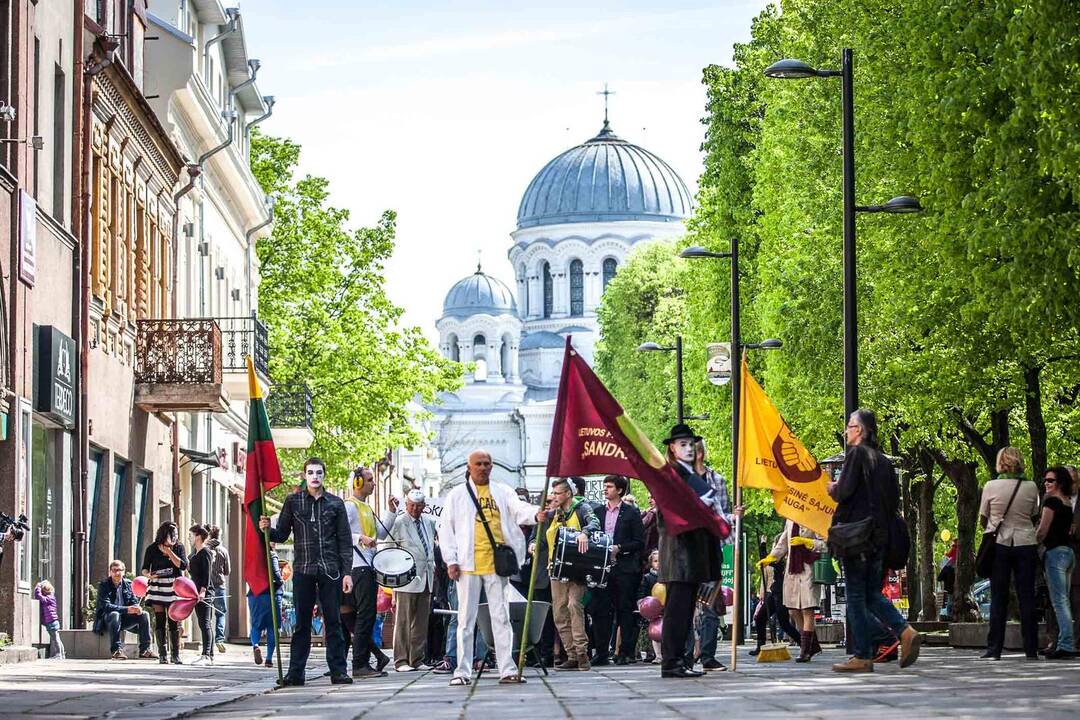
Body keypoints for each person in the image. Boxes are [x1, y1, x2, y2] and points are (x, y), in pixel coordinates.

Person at [439, 449, 543, 686]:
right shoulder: (456, 495)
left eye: (487, 463)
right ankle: (462, 671)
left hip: (497, 564)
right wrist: (451, 561)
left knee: (501, 616)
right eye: (479, 464)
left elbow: (519, 510)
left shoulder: (502, 491)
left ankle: (507, 668)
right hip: (467, 565)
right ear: (469, 466)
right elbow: (446, 529)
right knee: (466, 619)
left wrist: (537, 514)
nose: (484, 467)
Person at [827, 409, 920, 673]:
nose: (846, 431)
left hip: (857, 538)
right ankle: (904, 631)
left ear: (860, 430)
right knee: (869, 594)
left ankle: (863, 655)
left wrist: (832, 488)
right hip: (879, 538)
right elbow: (893, 501)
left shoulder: (857, 454)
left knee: (856, 597)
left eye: (850, 426)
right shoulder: (884, 461)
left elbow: (843, 492)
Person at [260, 457, 354, 686]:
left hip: (330, 570)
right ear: (305, 475)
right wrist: (266, 529)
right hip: (303, 569)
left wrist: (347, 572)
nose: (315, 476)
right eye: (311, 472)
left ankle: (338, 671)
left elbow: (344, 539)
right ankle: (296, 673)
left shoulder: (336, 503)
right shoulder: (293, 501)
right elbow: (281, 534)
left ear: (324, 475)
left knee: (333, 621)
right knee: (302, 623)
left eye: (319, 472)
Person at [657, 423, 727, 679]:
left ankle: (678, 661)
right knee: (677, 612)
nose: (689, 449)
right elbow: (671, 516)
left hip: (690, 556)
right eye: (682, 444)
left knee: (685, 611)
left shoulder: (689, 476)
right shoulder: (672, 476)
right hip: (679, 555)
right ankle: (672, 662)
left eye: (691, 444)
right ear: (672, 449)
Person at [976, 446, 1040, 661]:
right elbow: (1034, 514)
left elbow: (983, 518)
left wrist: (994, 524)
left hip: (1000, 544)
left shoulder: (991, 486)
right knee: (1027, 597)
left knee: (998, 597)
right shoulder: (1031, 487)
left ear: (1000, 462)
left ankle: (994, 649)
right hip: (1026, 542)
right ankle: (1031, 648)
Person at [536, 477, 598, 671]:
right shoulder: (554, 514)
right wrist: (534, 544)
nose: (554, 496)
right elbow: (544, 537)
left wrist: (585, 533)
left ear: (568, 494)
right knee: (560, 612)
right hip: (556, 567)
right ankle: (571, 654)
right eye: (553, 493)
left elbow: (594, 522)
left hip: (577, 567)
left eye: (557, 493)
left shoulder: (582, 508)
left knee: (574, 605)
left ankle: (582, 654)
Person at [689, 439, 737, 672]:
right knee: (686, 604)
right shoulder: (679, 479)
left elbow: (724, 513)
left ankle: (707, 655)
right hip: (686, 550)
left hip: (710, 548)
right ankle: (686, 655)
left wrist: (733, 520)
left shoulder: (717, 480)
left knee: (708, 604)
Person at [590, 475, 645, 666]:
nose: (605, 490)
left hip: (625, 569)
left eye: (610, 487)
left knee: (625, 610)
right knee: (600, 611)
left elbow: (640, 542)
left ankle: (625, 652)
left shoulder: (631, 513)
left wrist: (620, 548)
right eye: (604, 486)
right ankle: (602, 652)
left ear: (620, 490)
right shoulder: (597, 512)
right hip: (603, 570)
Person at [343, 466, 392, 679]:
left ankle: (375, 657)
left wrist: (390, 512)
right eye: (370, 480)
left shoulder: (366, 508)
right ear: (358, 483)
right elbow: (340, 532)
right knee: (365, 616)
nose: (373, 483)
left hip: (365, 567)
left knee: (357, 618)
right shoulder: (350, 506)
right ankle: (360, 665)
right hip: (358, 567)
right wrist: (359, 538)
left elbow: (380, 533)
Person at [381, 489, 437, 671]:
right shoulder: (399, 523)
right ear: (406, 505)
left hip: (426, 576)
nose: (414, 509)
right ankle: (401, 660)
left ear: (424, 506)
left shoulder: (429, 522)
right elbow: (389, 550)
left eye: (418, 506)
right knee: (403, 621)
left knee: (421, 621)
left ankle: (417, 659)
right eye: (411, 505)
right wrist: (394, 578)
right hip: (406, 577)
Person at [760, 519, 826, 662]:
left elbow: (826, 544)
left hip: (808, 568)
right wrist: (771, 557)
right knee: (792, 610)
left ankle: (805, 650)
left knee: (807, 609)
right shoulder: (790, 519)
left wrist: (807, 542)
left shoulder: (814, 517)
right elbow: (783, 543)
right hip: (792, 570)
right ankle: (812, 645)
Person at [1036, 465, 1075, 659]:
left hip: (1055, 554)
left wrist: (1031, 545)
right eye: (1045, 480)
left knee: (1059, 602)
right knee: (1064, 600)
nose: (1046, 483)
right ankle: (1064, 642)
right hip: (1068, 554)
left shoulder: (1051, 501)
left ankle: (1066, 644)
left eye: (1050, 480)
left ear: (1059, 483)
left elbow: (1043, 530)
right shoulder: (1067, 502)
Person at [141, 521, 189, 664]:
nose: (174, 536)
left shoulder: (179, 547)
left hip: (173, 585)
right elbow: (144, 568)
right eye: (171, 534)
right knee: (160, 619)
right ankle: (162, 654)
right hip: (158, 586)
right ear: (164, 534)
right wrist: (149, 575)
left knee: (173, 619)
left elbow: (183, 565)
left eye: (176, 534)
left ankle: (175, 654)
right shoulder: (152, 549)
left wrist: (169, 552)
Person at [94, 560, 153, 660]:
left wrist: (136, 608)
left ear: (124, 572)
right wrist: (127, 609)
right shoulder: (104, 585)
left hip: (125, 619)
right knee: (114, 614)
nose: (117, 573)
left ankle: (145, 650)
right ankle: (116, 651)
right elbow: (106, 606)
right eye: (114, 570)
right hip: (108, 620)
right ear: (110, 572)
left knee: (144, 614)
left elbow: (133, 600)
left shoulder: (129, 584)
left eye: (119, 570)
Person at [248, 544, 284, 668]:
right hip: (271, 594)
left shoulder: (252, 555)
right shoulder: (271, 555)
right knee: (272, 627)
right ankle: (269, 658)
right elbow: (276, 575)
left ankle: (256, 645)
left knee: (255, 625)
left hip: (254, 593)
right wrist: (282, 579)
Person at [188, 524, 216, 665]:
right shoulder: (195, 553)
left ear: (198, 536)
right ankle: (209, 654)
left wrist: (203, 591)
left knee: (205, 623)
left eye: (191, 535)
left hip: (203, 593)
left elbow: (206, 574)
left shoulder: (205, 552)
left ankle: (207, 655)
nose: (189, 538)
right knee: (203, 622)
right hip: (196, 592)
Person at [206, 525, 230, 654]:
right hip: (220, 585)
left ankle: (208, 640)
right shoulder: (223, 551)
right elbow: (227, 571)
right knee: (220, 613)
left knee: (207, 615)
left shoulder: (205, 549)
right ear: (219, 536)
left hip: (207, 585)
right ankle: (219, 639)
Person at [638, 550, 662, 663]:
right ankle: (657, 655)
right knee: (654, 633)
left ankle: (666, 654)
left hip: (666, 608)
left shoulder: (668, 577)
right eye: (655, 561)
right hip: (653, 610)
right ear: (651, 563)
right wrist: (642, 605)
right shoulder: (648, 577)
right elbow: (642, 593)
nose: (658, 563)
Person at [33, 580, 65, 659]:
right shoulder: (51, 597)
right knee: (56, 638)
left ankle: (59, 654)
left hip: (52, 622)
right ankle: (61, 654)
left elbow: (39, 597)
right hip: (52, 621)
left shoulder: (49, 598)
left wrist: (38, 587)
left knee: (55, 639)